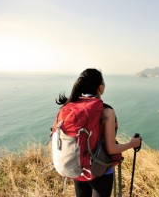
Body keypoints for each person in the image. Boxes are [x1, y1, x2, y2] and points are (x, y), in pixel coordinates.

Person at [55, 68, 141, 197]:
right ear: (101, 88)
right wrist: (132, 144)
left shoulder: (71, 106)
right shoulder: (107, 112)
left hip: (78, 167)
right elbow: (111, 149)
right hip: (100, 171)